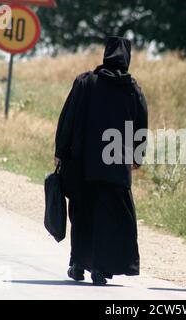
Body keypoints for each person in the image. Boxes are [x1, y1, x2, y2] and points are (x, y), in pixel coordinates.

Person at [54, 36, 148, 285]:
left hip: (83, 166)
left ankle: (77, 263)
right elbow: (141, 126)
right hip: (116, 167)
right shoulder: (132, 88)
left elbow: (68, 119)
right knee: (111, 217)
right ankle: (101, 267)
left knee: (82, 213)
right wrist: (137, 157)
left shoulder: (86, 82)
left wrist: (61, 151)